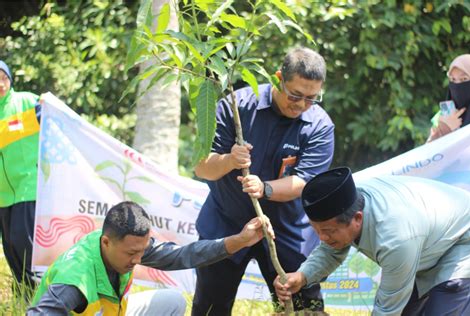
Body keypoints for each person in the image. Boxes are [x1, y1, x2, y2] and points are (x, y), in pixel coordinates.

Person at [192, 47, 335, 315]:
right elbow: (202, 167)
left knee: (304, 307)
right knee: (210, 308)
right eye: (295, 95)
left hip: (288, 231)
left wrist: (264, 188)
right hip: (227, 223)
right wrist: (229, 161)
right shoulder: (236, 107)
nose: (301, 104)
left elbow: (304, 182)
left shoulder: (320, 126)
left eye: (311, 98)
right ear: (278, 77)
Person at [274, 167, 470, 315]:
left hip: (463, 241)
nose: (322, 238)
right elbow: (330, 249)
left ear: (357, 219)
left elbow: (387, 309)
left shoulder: (394, 237)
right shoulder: (346, 200)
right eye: (316, 230)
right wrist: (302, 276)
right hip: (425, 244)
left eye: (327, 231)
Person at [28, 201, 274, 315]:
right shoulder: (75, 281)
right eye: (131, 253)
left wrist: (240, 240)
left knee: (173, 302)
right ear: (106, 242)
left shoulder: (124, 244)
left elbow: (183, 255)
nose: (137, 260)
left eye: (142, 251)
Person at [0, 60, 40, 296]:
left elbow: (52, 114)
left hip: (28, 186)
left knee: (24, 244)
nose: (0, 83)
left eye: (3, 77)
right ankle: (24, 299)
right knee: (10, 250)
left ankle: (43, 299)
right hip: (3, 194)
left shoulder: (25, 101)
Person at [427, 54, 470, 142]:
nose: (457, 85)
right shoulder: (443, 116)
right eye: (452, 79)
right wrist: (443, 129)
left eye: (464, 79)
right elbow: (428, 153)